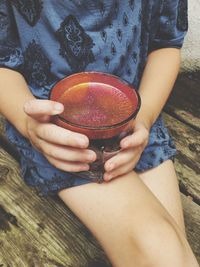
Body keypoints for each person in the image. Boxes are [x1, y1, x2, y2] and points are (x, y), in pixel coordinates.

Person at [0, 1, 199, 266]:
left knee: (168, 250)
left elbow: (166, 43)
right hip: (54, 128)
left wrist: (145, 117)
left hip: (137, 117)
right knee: (158, 245)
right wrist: (28, 123)